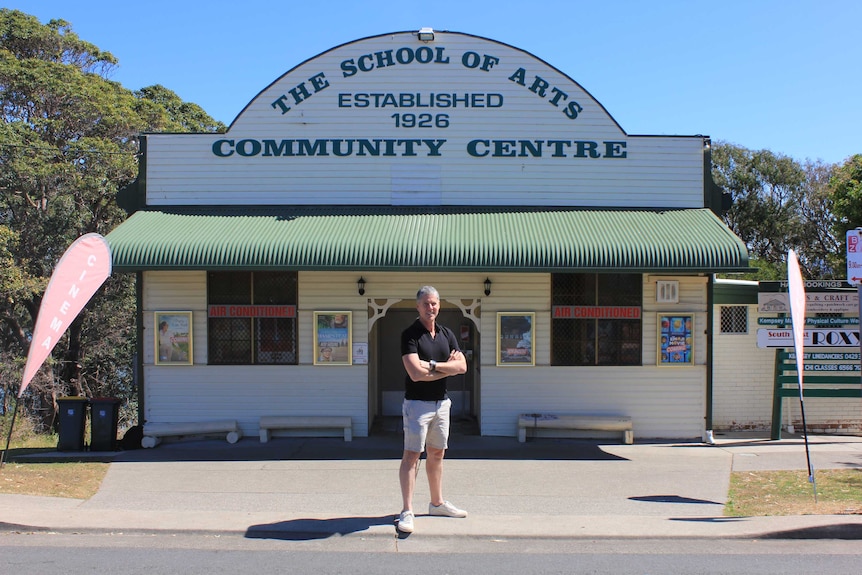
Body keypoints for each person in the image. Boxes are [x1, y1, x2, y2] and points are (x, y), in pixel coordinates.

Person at [397, 285, 468, 534]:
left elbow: (462, 367)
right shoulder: (410, 335)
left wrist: (433, 366)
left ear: (439, 306)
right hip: (417, 406)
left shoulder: (447, 334)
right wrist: (444, 368)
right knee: (412, 456)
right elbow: (415, 374)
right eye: (426, 303)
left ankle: (436, 503)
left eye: (434, 303)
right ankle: (406, 511)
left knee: (437, 454)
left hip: (442, 404)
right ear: (417, 306)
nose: (431, 307)